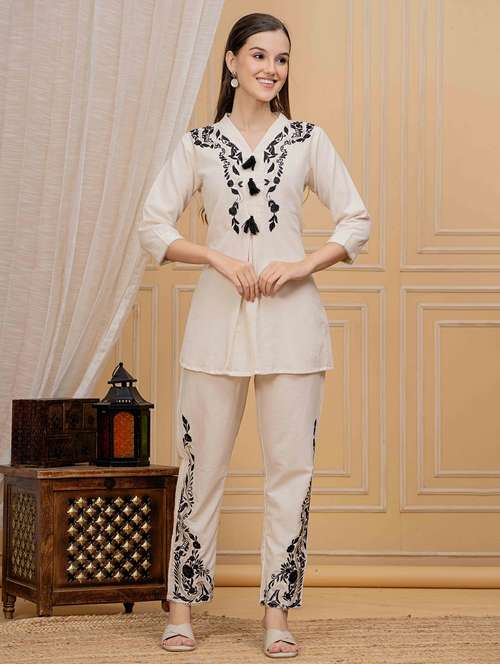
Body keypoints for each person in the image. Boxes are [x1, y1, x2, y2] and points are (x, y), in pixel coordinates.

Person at [138, 11, 371, 659]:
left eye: (282, 59)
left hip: (294, 330)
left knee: (290, 473)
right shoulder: (199, 145)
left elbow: (355, 219)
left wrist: (302, 264)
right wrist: (215, 257)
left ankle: (277, 615)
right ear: (232, 62)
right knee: (201, 469)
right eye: (260, 55)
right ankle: (181, 608)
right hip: (215, 328)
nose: (272, 69)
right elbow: (153, 225)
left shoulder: (306, 141)